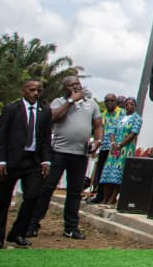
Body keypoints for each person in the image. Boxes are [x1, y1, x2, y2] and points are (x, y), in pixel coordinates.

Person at [28, 76, 102, 240]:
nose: (76, 87)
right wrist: (70, 101)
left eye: (78, 84)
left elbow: (98, 125)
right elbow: (53, 117)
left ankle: (71, 227)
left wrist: (97, 141)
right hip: (58, 152)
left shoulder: (91, 103)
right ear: (65, 88)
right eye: (71, 85)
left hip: (80, 154)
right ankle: (32, 224)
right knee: (47, 189)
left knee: (75, 192)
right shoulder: (58, 102)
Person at [0, 80, 52, 249]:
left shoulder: (45, 111)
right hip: (10, 161)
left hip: (33, 162)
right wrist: (0, 161)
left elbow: (46, 139)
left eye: (38, 90)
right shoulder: (11, 109)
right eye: (32, 90)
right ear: (24, 90)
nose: (35, 93)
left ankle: (18, 233)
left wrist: (46, 160)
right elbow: (1, 137)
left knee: (32, 197)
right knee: (3, 200)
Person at [98, 97, 142, 206]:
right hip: (114, 148)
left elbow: (133, 133)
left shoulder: (137, 118)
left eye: (131, 104)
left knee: (119, 173)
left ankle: (112, 198)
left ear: (135, 106)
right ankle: (105, 197)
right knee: (108, 172)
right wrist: (113, 143)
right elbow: (112, 131)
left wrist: (121, 144)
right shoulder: (120, 117)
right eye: (127, 104)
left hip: (125, 148)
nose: (129, 106)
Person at [88, 93, 123, 203]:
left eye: (111, 100)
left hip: (115, 148)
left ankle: (109, 198)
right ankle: (99, 195)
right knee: (101, 171)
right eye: (107, 101)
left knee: (112, 172)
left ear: (116, 101)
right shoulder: (103, 115)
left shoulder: (121, 113)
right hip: (104, 147)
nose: (109, 103)